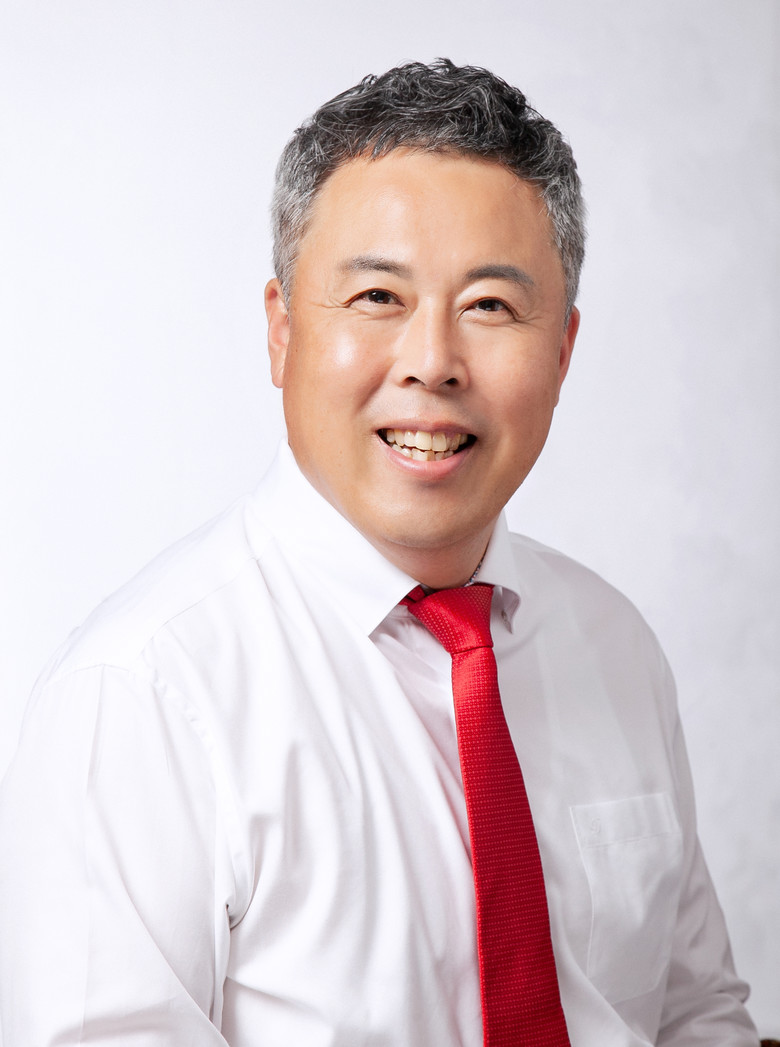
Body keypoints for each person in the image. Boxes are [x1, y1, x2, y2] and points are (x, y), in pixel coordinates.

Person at [0, 59, 759, 1045]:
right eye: (376, 297)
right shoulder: (142, 698)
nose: (433, 362)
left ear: (564, 351)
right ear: (281, 333)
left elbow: (696, 1012)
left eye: (489, 306)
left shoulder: (614, 646)